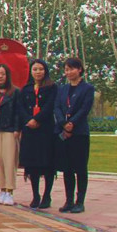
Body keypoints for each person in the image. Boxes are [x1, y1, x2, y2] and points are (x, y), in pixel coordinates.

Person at [55, 57, 95, 214]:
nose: (69, 72)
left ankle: (80, 202)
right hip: (64, 133)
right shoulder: (62, 89)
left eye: (71, 69)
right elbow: (57, 108)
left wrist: (72, 123)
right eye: (66, 69)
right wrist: (63, 124)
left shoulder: (87, 88)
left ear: (79, 69)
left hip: (79, 133)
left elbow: (85, 108)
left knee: (80, 168)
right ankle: (69, 200)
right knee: (67, 168)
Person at [18, 59, 57, 209]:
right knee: (32, 164)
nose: (38, 72)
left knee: (47, 163)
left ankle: (47, 196)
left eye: (41, 69)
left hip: (45, 130)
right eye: (35, 69)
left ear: (45, 70)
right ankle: (36, 195)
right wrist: (29, 120)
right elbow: (21, 107)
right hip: (30, 131)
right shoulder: (26, 89)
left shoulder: (52, 87)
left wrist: (37, 119)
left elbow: (50, 106)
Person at [0, 64, 21, 206]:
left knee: (9, 161)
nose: (0, 77)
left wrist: (17, 128)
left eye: (3, 74)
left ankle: (10, 191)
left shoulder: (15, 92)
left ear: (7, 75)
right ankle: (2, 190)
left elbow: (18, 111)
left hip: (10, 130)